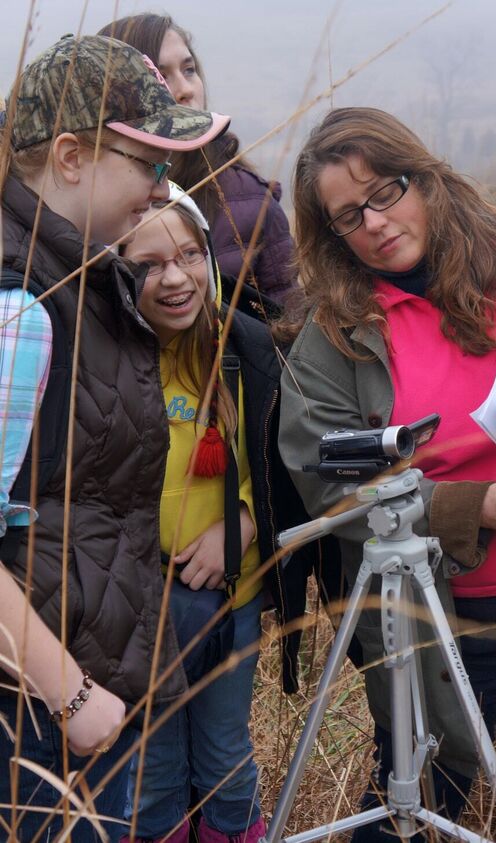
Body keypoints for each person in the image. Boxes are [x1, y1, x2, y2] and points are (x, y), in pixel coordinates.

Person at [278, 106, 496, 842]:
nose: (374, 223)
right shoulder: (336, 337)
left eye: (386, 191)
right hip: (443, 627)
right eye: (347, 216)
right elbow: (326, 479)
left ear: (422, 175)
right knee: (417, 809)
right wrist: (468, 506)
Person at [0, 33, 229, 841]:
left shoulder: (87, 279)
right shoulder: (23, 310)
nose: (164, 187)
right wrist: (72, 696)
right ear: (69, 155)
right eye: (150, 165)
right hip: (38, 717)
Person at [118, 183, 304, 843]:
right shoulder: (108, 361)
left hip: (233, 600)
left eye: (190, 255)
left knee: (224, 754)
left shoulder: (246, 350)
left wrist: (247, 520)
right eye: (148, 264)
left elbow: (285, 466)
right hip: (135, 615)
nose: (175, 277)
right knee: (154, 765)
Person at [98, 13, 297, 305]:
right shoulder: (92, 204)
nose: (186, 90)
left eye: (189, 70)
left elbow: (287, 324)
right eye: (161, 76)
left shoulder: (253, 201)